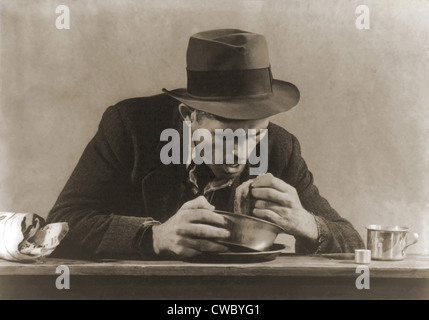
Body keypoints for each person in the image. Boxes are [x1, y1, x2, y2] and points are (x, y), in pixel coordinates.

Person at [47, 29, 364, 260]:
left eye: (255, 133)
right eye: (225, 134)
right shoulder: (130, 127)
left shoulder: (280, 146)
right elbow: (62, 224)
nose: (241, 151)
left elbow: (353, 242)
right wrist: (154, 236)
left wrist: (307, 224)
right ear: (189, 115)